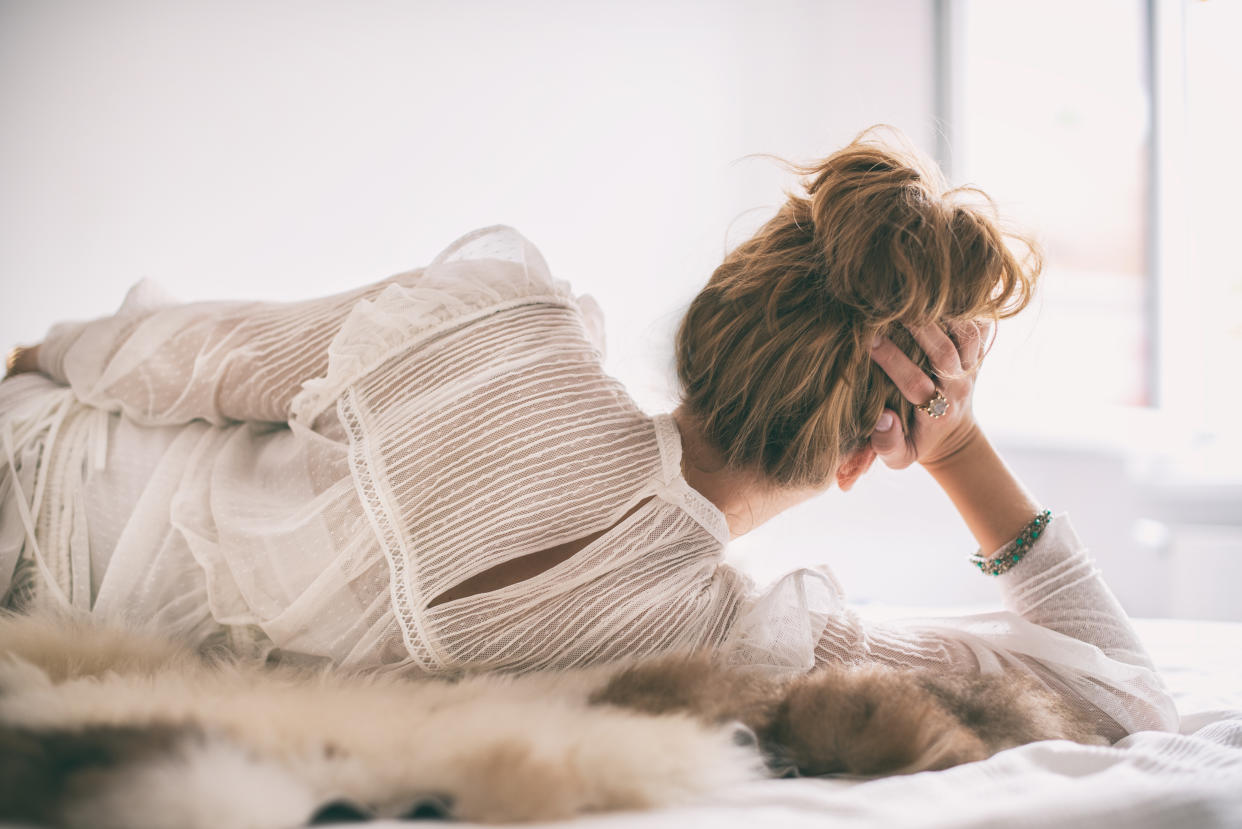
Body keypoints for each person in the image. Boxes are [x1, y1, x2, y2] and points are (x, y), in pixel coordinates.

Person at [0, 133, 1175, 743]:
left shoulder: (497, 335)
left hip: (35, 458)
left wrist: (39, 356)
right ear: (873, 449)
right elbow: (1125, 699)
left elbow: (194, 359)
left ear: (718, 312)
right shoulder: (725, 639)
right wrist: (962, 447)